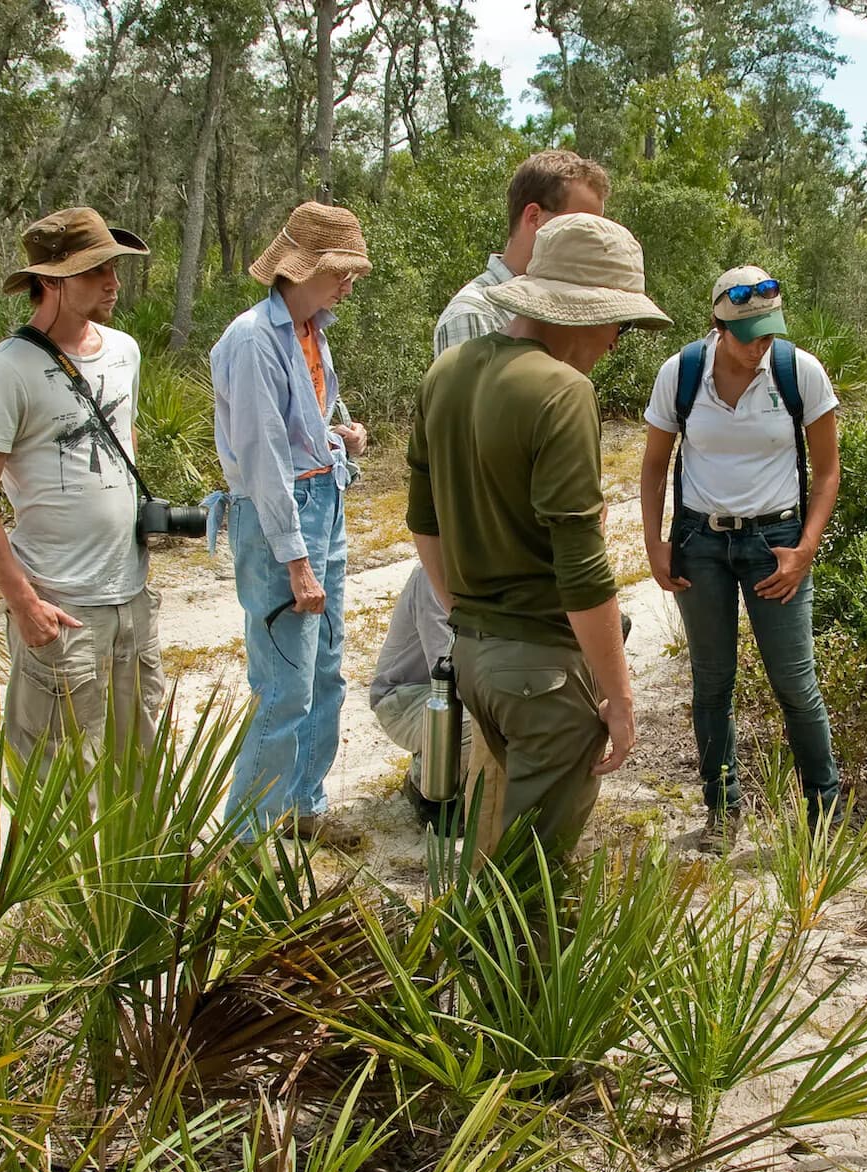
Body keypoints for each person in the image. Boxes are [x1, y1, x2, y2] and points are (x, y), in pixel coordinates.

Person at [406, 213, 669, 855]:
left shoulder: (446, 372)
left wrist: (466, 615)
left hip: (474, 656)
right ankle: (484, 959)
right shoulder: (563, 392)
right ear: (579, 311)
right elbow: (582, 568)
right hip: (543, 671)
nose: (615, 342)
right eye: (618, 322)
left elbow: (424, 520)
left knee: (497, 854)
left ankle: (464, 952)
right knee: (528, 886)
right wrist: (620, 697)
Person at [432, 150, 612, 834]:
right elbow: (466, 481)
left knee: (511, 821)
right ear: (534, 219)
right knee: (504, 828)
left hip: (509, 627)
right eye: (579, 228)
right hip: (507, 622)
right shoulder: (477, 320)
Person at [640, 266, 842, 850]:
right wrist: (655, 543)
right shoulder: (681, 374)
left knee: (794, 682)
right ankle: (722, 812)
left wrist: (805, 549)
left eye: (769, 331)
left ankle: (823, 812)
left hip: (775, 544)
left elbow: (827, 471)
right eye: (749, 333)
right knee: (712, 682)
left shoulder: (796, 371)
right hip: (699, 544)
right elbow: (654, 465)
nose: (761, 344)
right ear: (719, 327)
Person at [0, 207, 163, 765]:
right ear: (49, 280)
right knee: (60, 775)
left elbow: (125, 435)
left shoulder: (124, 351)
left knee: (138, 764)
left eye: (113, 267)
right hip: (61, 603)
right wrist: (25, 604)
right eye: (95, 270)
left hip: (131, 597)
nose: (112, 282)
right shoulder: (7, 370)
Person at [212, 202, 372, 849]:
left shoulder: (310, 330)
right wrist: (296, 559)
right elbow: (262, 456)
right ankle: (241, 845)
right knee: (284, 688)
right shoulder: (252, 338)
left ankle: (303, 807)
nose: (349, 283)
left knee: (325, 673)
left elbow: (294, 429)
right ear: (307, 267)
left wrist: (338, 437)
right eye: (342, 270)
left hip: (322, 502)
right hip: (283, 518)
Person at [433, 149, 610, 356]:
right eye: (580, 228)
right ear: (534, 216)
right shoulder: (475, 313)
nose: (591, 243)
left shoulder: (560, 309)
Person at [369, 565, 465, 828]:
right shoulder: (435, 573)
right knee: (474, 721)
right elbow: (449, 669)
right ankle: (427, 784)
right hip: (408, 697)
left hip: (465, 689)